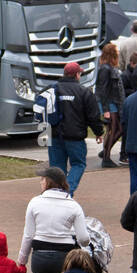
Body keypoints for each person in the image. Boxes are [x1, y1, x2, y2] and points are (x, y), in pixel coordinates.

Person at [15, 166, 90, 273]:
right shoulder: (73, 205)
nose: (40, 182)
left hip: (40, 257)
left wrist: (22, 260)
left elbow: (28, 235)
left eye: (42, 179)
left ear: (49, 182)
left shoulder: (34, 202)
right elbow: (83, 238)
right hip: (64, 257)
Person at [48, 61, 104, 195]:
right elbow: (93, 116)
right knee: (78, 164)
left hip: (54, 136)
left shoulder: (52, 89)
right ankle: (67, 192)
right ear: (77, 75)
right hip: (75, 137)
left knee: (57, 168)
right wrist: (99, 132)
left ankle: (56, 195)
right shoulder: (84, 92)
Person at [95, 43, 125, 168]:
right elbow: (103, 90)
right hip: (110, 103)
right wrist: (106, 109)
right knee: (115, 129)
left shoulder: (106, 68)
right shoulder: (105, 69)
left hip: (112, 103)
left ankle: (106, 152)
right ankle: (106, 156)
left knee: (113, 129)